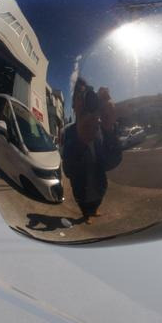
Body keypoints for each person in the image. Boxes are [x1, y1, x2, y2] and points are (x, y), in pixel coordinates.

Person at [61, 78, 122, 223]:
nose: (85, 101)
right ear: (73, 105)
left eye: (88, 94)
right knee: (83, 203)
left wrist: (109, 128)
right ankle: (86, 216)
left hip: (99, 183)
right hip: (81, 188)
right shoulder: (67, 131)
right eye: (80, 96)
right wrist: (81, 142)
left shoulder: (101, 128)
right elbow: (68, 171)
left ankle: (94, 211)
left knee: (97, 198)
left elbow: (112, 163)